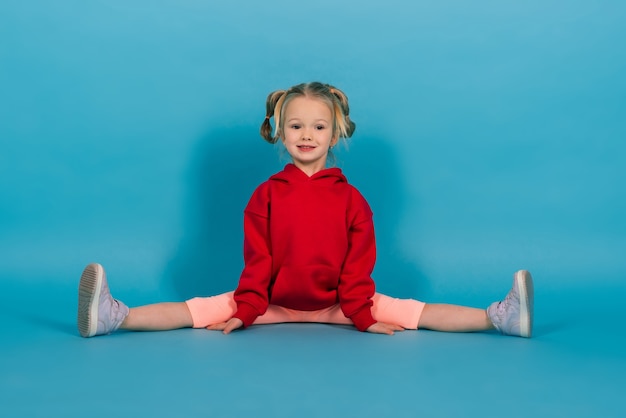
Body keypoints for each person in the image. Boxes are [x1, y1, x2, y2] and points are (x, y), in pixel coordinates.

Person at [77, 82, 534, 339]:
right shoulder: (266, 195)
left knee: (417, 312)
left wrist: (363, 314)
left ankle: (499, 316)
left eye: (318, 126)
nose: (306, 135)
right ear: (280, 132)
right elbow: (258, 262)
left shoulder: (352, 200)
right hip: (272, 303)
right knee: (195, 309)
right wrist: (248, 308)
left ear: (336, 135)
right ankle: (116, 316)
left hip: (339, 304)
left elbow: (359, 265)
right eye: (296, 125)